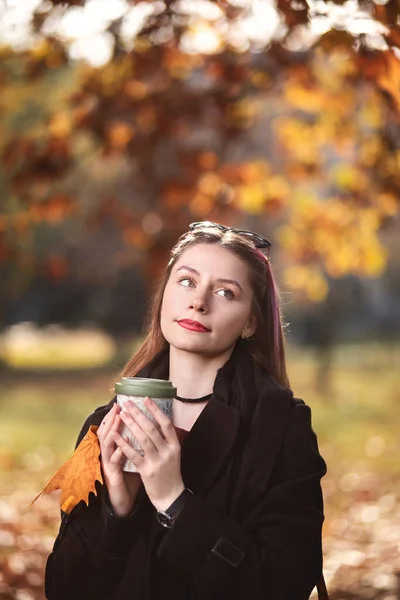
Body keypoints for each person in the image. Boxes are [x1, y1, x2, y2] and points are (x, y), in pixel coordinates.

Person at [45, 221, 327, 600]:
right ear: (164, 295)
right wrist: (118, 510)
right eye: (187, 282)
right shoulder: (106, 423)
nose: (199, 301)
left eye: (226, 292)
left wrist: (174, 502)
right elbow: (63, 589)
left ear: (251, 322)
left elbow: (284, 584)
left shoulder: (281, 427)